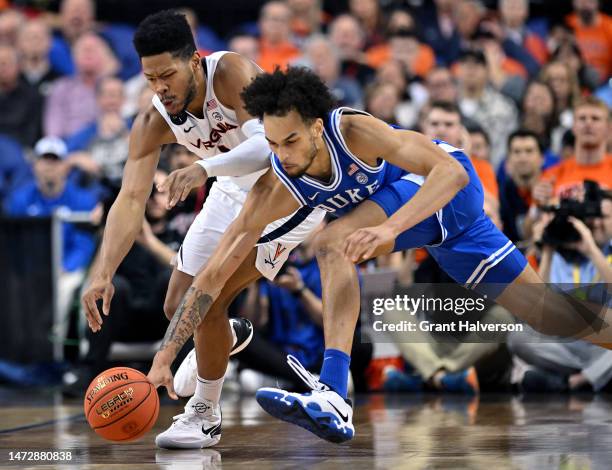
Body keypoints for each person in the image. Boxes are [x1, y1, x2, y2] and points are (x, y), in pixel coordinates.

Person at [145, 67, 612, 444]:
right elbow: (211, 276)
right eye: (271, 144)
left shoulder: (351, 129)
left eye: (290, 142)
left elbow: (450, 172)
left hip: (445, 193)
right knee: (556, 315)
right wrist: (166, 354)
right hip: (436, 231)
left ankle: (333, 390)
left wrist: (388, 229)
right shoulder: (275, 184)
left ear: (313, 126)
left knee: (330, 243)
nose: (281, 155)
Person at [80, 12, 324, 450]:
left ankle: (205, 413)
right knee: (178, 303)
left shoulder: (231, 73)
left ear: (195, 61)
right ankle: (229, 335)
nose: (160, 88)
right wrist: (103, 273)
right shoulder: (153, 119)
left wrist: (203, 167)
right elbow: (130, 200)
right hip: (233, 186)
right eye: (150, 78)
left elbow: (266, 146)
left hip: (294, 186)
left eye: (168, 74)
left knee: (208, 297)